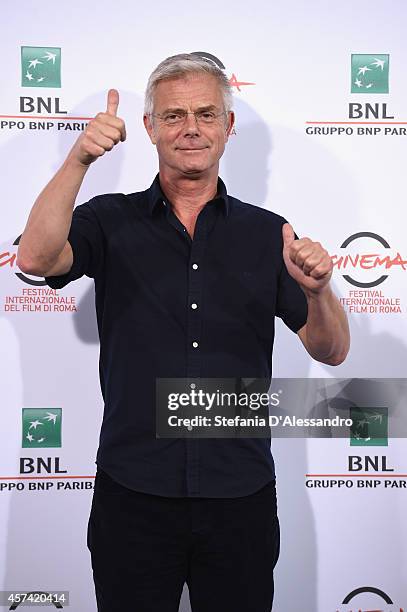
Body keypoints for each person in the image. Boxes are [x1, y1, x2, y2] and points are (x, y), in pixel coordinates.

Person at [17, 53, 350, 612]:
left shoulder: (270, 234)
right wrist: (79, 158)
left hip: (239, 495)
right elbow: (34, 257)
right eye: (172, 116)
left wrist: (317, 292)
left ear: (228, 126)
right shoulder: (109, 218)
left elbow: (333, 351)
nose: (190, 128)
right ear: (149, 127)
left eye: (205, 113)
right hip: (133, 492)